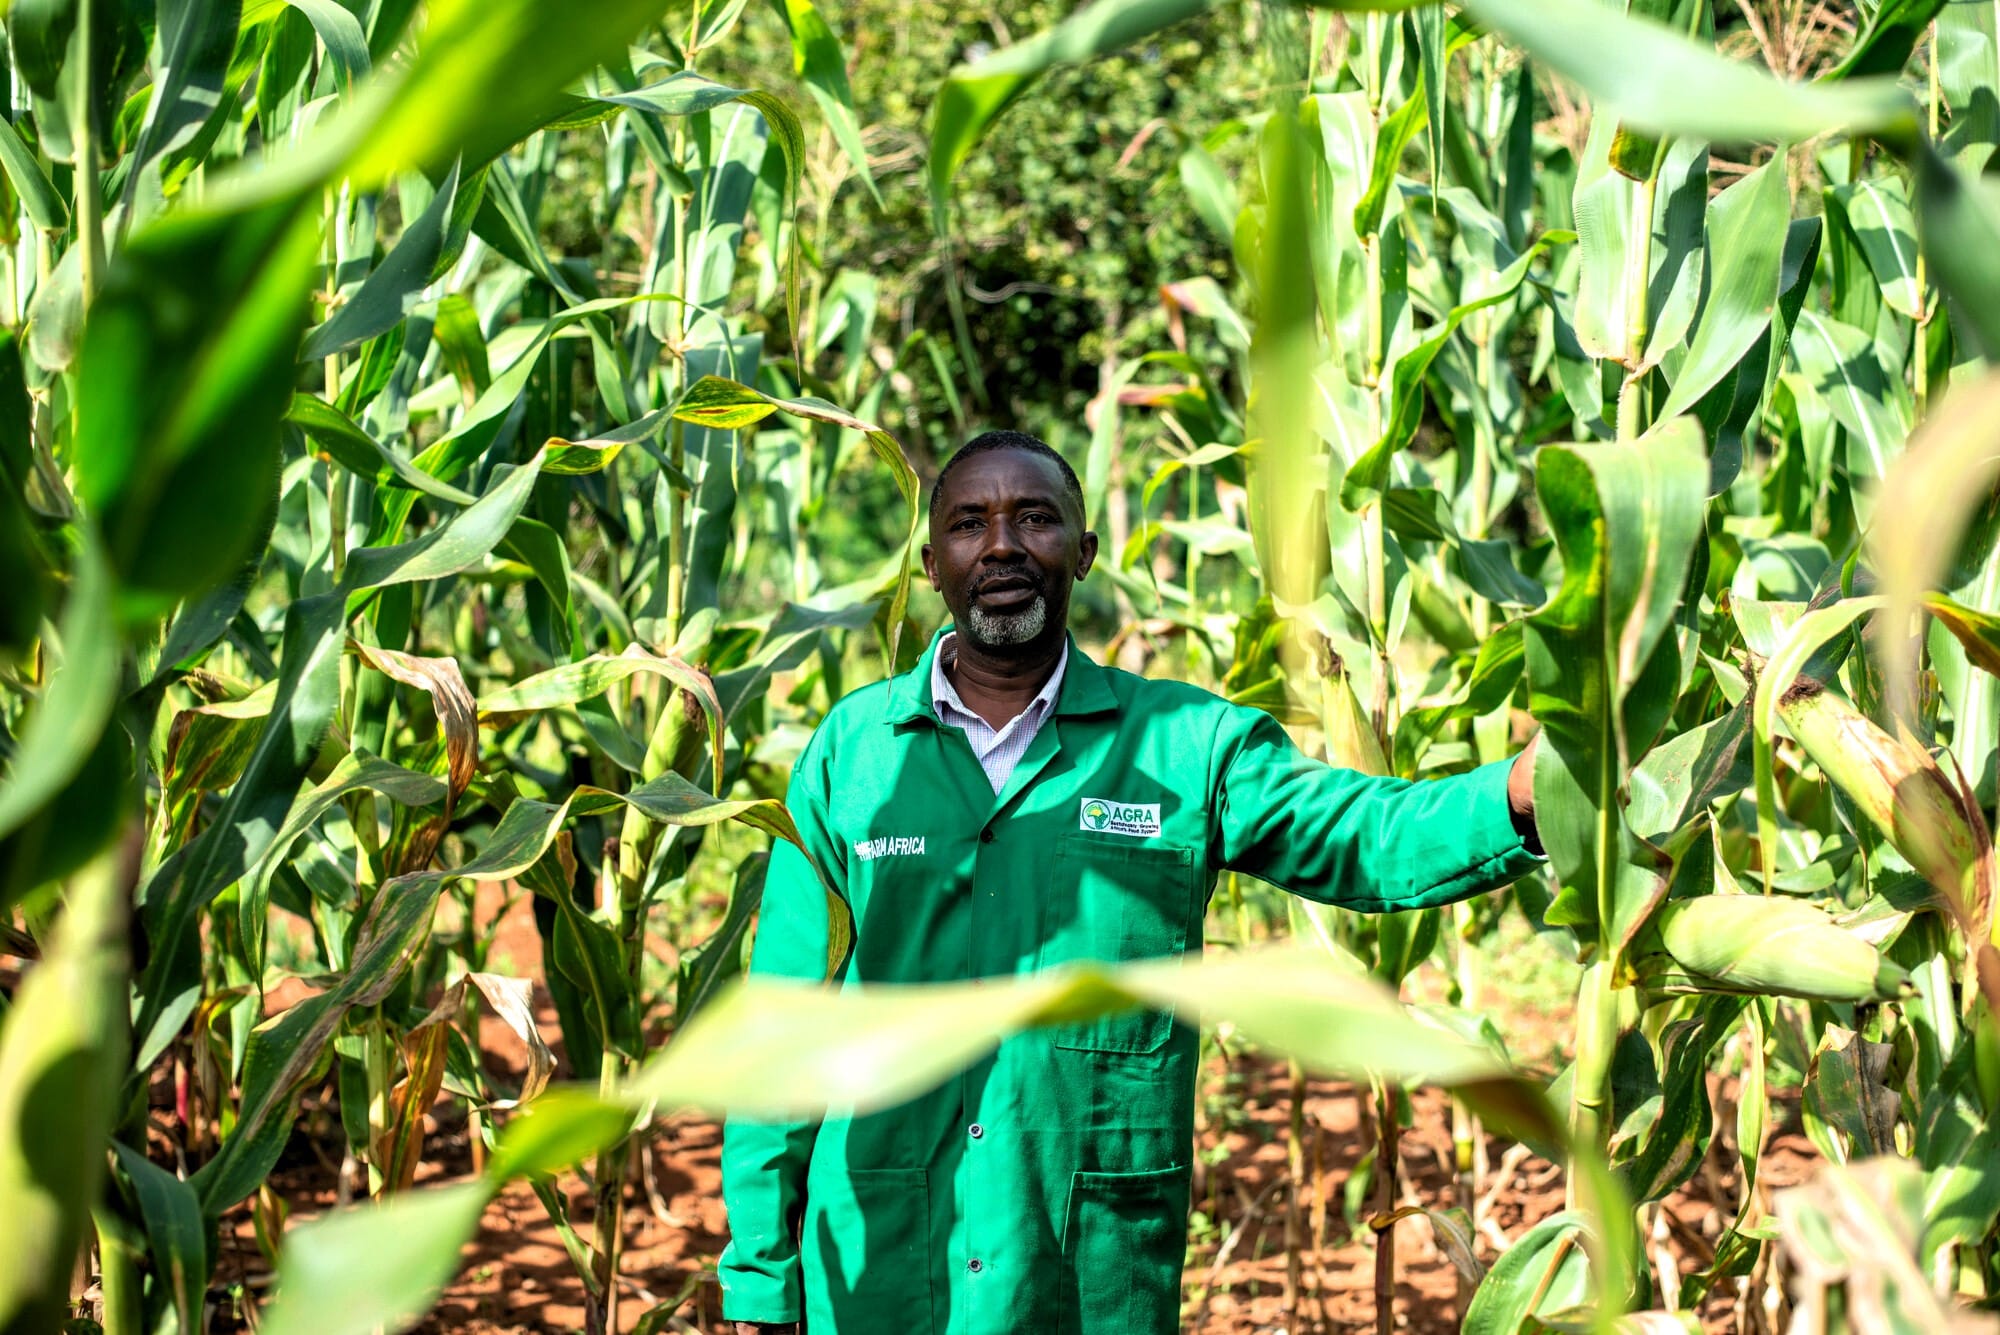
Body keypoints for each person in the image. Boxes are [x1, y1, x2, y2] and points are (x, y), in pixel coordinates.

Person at [719, 431, 1543, 1334]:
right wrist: (761, 1279)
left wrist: (1517, 795)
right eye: (969, 523)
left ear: (1083, 549)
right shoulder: (853, 754)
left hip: (1087, 1282)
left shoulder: (1186, 747)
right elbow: (782, 1027)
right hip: (880, 1277)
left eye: (1035, 517)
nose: (1001, 544)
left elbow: (1364, 835)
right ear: (930, 563)